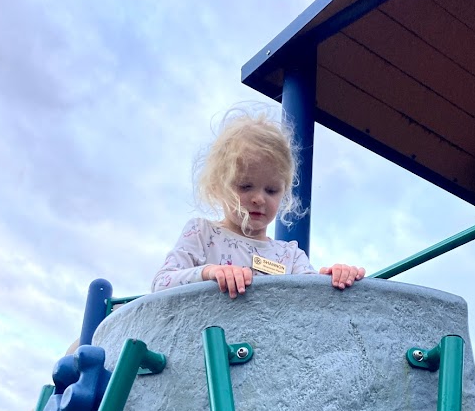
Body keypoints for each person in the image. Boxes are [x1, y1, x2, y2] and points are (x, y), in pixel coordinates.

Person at [151, 110, 365, 298]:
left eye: (271, 190)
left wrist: (336, 277)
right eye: (245, 186)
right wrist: (209, 273)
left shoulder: (289, 256)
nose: (259, 199)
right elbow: (161, 284)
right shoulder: (202, 233)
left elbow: (312, 297)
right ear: (218, 185)